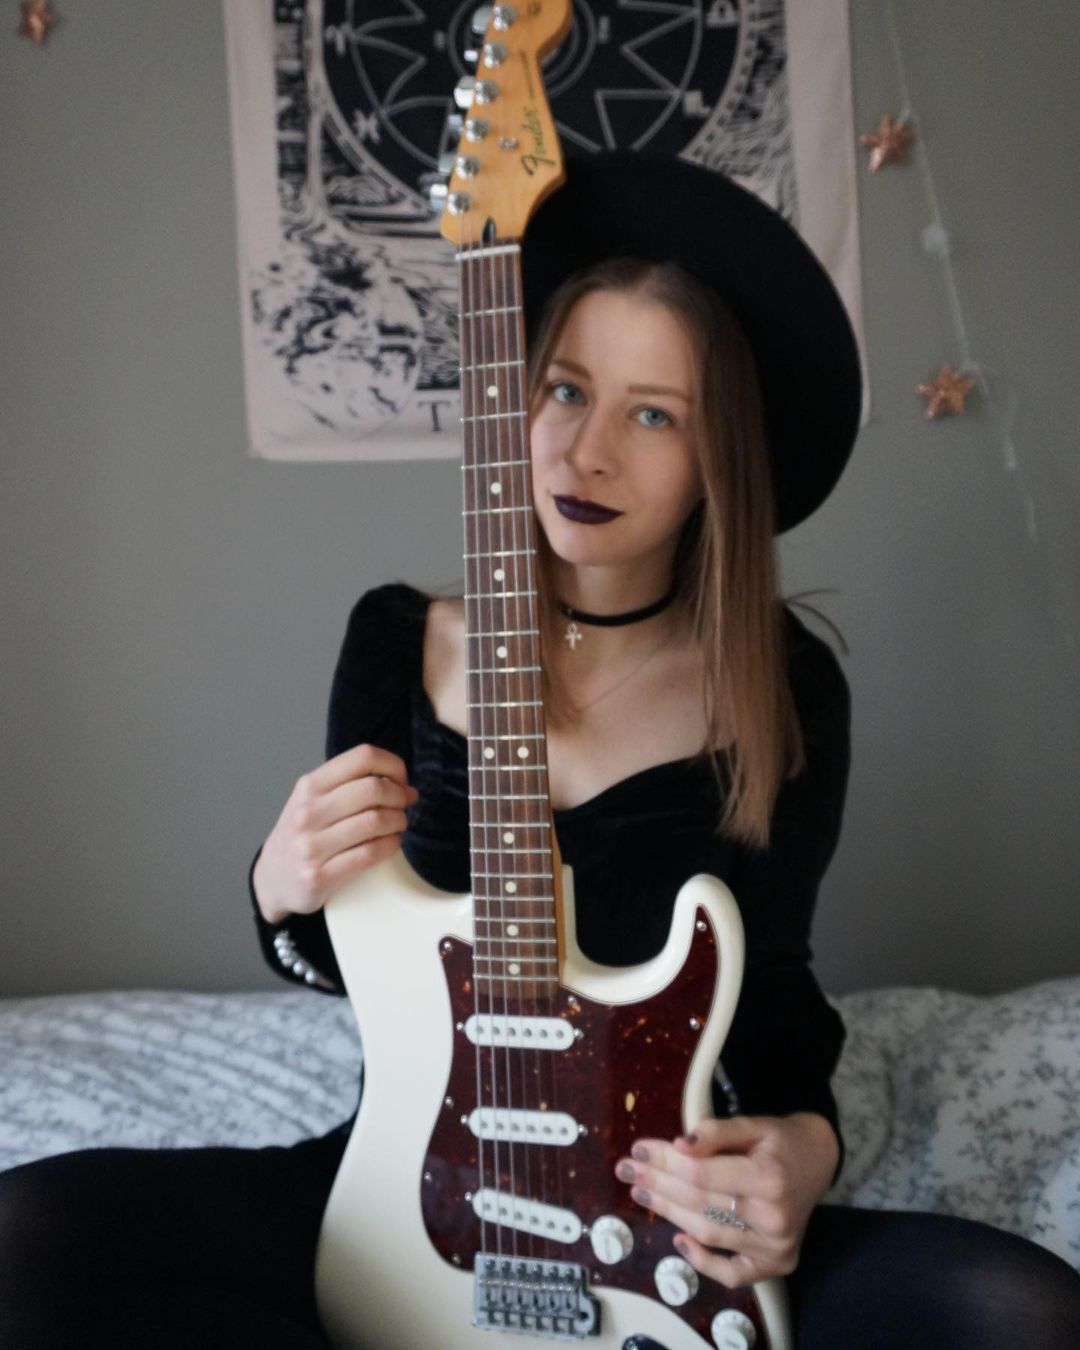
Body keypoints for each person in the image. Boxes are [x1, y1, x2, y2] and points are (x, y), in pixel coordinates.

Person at [2, 153, 1078, 1349]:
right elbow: (353, 953)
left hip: (650, 1207)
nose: (586, 450)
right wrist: (278, 885)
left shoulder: (782, 685)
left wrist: (804, 1152)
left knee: (1015, 1311)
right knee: (28, 1239)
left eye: (654, 413)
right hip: (412, 1176)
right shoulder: (399, 642)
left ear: (719, 458)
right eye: (565, 389)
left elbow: (768, 980)